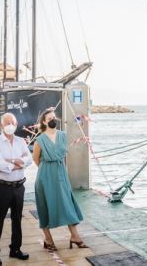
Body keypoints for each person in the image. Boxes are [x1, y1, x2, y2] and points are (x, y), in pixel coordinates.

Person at [33, 107, 87, 251]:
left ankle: (74, 236)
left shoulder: (63, 135)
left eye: (54, 118)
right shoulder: (40, 139)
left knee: (67, 202)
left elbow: (63, 154)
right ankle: (48, 239)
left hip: (61, 172)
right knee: (45, 205)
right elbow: (35, 159)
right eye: (49, 119)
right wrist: (46, 169)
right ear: (44, 122)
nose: (53, 120)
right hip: (45, 175)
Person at [0, 113, 32, 265]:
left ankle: (15, 249)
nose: (10, 125)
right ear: (1, 125)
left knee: (17, 219)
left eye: (12, 122)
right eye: (7, 123)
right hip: (1, 187)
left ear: (16, 123)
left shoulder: (20, 141)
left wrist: (10, 162)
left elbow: (29, 159)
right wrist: (18, 163)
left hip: (19, 186)